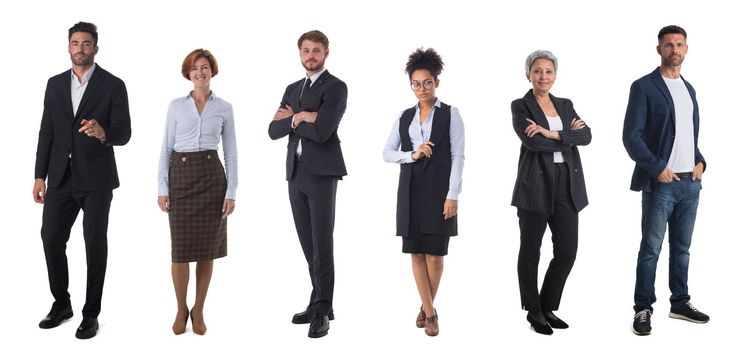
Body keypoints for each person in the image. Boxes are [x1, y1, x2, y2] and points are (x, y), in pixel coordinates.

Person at [32, 21, 131, 340]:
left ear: (95, 48)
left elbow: (124, 133)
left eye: (86, 44)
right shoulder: (54, 84)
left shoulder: (113, 85)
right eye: (75, 43)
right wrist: (39, 175)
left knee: (94, 245)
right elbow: (47, 131)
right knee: (50, 238)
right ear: (68, 47)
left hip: (97, 180)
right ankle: (62, 303)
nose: (80, 49)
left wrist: (104, 133)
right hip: (60, 177)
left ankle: (91, 314)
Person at [623, 25, 710, 336]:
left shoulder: (689, 90)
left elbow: (687, 136)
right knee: (651, 249)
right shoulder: (644, 87)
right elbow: (631, 137)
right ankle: (643, 309)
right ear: (658, 49)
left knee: (683, 248)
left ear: (686, 49)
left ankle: (680, 303)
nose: (675, 49)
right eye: (669, 44)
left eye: (679, 44)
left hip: (691, 183)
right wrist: (657, 167)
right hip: (662, 183)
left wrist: (701, 160)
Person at [268, 30, 347, 339]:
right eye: (305, 50)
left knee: (321, 241)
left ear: (326, 53)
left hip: (322, 173)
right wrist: (303, 116)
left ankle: (324, 308)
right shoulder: (292, 88)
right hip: (295, 172)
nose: (310, 55)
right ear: (299, 53)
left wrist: (295, 118)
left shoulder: (336, 87)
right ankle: (318, 301)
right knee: (306, 241)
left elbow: (325, 131)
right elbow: (273, 131)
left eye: (316, 50)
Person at [383, 48, 464, 337]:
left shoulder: (450, 114)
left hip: (440, 191)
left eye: (427, 82)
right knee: (416, 252)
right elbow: (387, 153)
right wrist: (413, 154)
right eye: (416, 84)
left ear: (437, 83)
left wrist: (452, 194)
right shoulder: (404, 116)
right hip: (410, 189)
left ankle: (425, 305)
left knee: (436, 256)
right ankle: (430, 313)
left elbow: (458, 156)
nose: (421, 88)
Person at [157, 49, 237, 335]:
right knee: (179, 252)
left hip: (212, 179)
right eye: (194, 68)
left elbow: (230, 151)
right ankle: (181, 308)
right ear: (188, 74)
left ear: (211, 71)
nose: (200, 72)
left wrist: (231, 192)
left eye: (204, 67)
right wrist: (162, 187)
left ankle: (199, 309)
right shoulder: (176, 106)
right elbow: (166, 148)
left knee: (207, 251)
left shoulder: (224, 107)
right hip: (181, 177)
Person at [510, 50, 591, 335]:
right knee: (531, 250)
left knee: (568, 251)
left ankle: (548, 305)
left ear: (555, 75)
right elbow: (533, 145)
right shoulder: (521, 106)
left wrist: (551, 133)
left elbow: (587, 136)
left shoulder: (566, 104)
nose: (543, 76)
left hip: (567, 185)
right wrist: (565, 139)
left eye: (548, 71)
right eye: (537, 71)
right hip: (535, 186)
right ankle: (533, 310)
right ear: (528, 75)